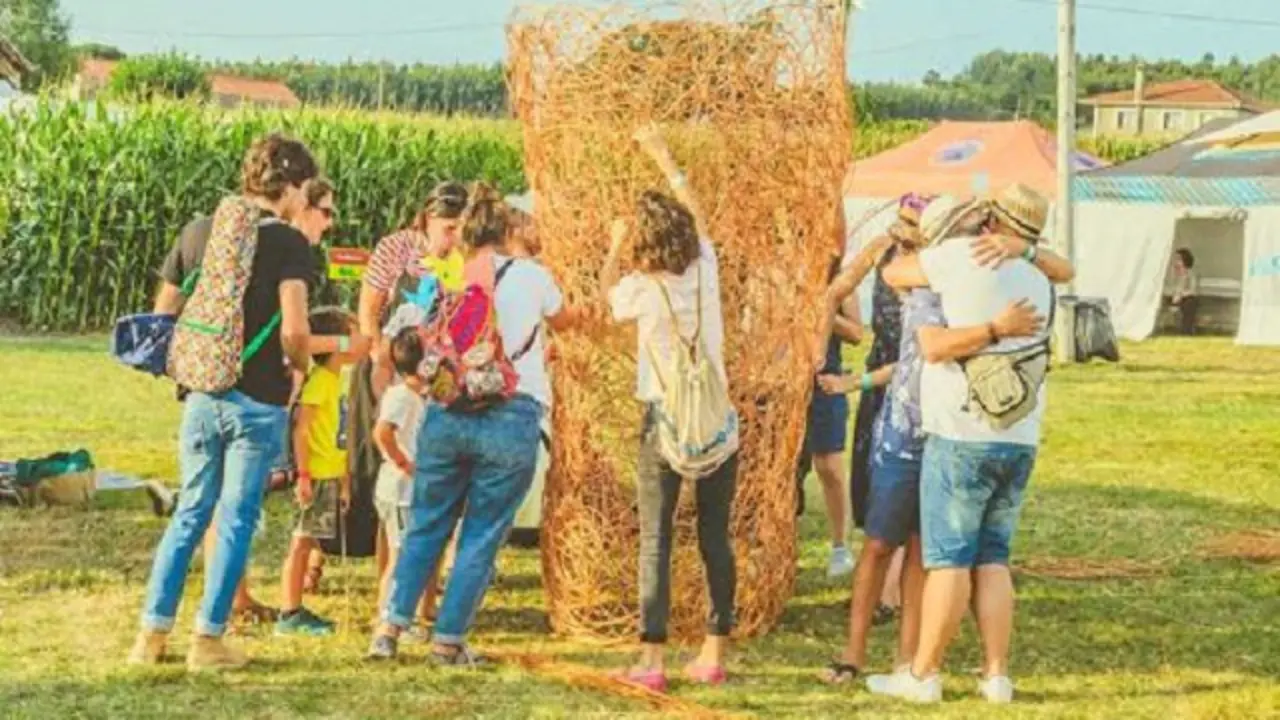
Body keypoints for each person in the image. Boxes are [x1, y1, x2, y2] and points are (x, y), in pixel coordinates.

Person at [820, 192, 1071, 689]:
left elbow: (927, 341)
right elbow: (1067, 267)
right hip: (994, 432)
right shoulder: (1036, 275)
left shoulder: (954, 262)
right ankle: (991, 674)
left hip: (951, 431)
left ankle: (918, 668)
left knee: (939, 557)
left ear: (991, 224)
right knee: (977, 557)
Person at [128, 134, 323, 671]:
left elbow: (162, 314)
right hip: (256, 399)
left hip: (201, 394)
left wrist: (195, 362)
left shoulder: (199, 231)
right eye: (304, 193)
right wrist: (301, 371)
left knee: (189, 513)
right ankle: (208, 640)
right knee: (236, 518)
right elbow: (295, 329)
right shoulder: (288, 243)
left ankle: (150, 636)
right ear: (292, 186)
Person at [366, 183, 572, 665]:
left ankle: (388, 630)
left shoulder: (452, 274)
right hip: (510, 412)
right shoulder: (533, 276)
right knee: (481, 533)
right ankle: (447, 641)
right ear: (509, 231)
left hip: (447, 410)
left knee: (425, 525)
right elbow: (569, 322)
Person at [600, 126, 738, 693]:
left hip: (665, 422)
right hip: (718, 422)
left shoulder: (639, 289)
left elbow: (604, 294)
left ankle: (651, 662)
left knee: (656, 538)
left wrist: (613, 244)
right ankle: (713, 651)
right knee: (714, 537)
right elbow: (697, 212)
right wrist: (663, 156)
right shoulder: (705, 268)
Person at [275, 308, 362, 636]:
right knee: (301, 540)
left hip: (331, 473)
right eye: (353, 334)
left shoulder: (339, 380)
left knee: (308, 539)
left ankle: (293, 606)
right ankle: (289, 611)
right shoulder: (321, 382)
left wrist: (343, 477)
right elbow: (302, 430)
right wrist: (305, 475)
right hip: (316, 474)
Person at [796, 254, 862, 578]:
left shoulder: (838, 277)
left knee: (830, 466)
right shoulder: (775, 272)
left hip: (825, 380)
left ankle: (840, 547)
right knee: (786, 470)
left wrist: (824, 306)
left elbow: (857, 333)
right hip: (785, 382)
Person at [372, 328, 436, 640]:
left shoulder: (417, 397)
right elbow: (382, 433)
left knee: (406, 553)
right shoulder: (400, 396)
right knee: (400, 556)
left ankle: (398, 615)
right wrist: (404, 463)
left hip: (406, 488)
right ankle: (389, 619)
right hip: (400, 489)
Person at [1169, 248, 1199, 335]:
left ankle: (1186, 330)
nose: (1176, 262)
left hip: (1187, 298)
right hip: (1175, 298)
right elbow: (1171, 288)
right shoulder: (1174, 274)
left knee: (1189, 303)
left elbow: (1193, 290)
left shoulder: (1191, 274)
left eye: (1178, 259)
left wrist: (1180, 295)